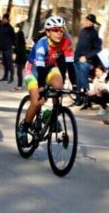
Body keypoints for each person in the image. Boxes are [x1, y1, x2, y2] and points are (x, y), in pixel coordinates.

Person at [17, 16, 74, 144]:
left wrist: (76, 86)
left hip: (49, 68)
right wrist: (42, 88)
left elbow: (70, 65)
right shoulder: (41, 45)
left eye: (61, 29)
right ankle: (24, 128)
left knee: (58, 86)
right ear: (48, 32)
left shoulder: (66, 42)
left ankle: (52, 114)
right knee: (37, 101)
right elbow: (41, 70)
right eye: (55, 29)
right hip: (34, 70)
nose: (59, 32)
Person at [74, 14, 103, 108]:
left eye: (88, 21)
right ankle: (78, 99)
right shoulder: (82, 31)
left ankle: (87, 100)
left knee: (84, 81)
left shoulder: (94, 33)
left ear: (92, 23)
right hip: (77, 59)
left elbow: (98, 49)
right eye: (85, 20)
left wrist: (86, 57)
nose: (86, 22)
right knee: (78, 80)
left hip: (85, 61)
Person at [0, 14, 16, 83]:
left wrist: (12, 44)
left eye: (5, 19)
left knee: (9, 63)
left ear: (7, 20)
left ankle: (11, 77)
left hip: (8, 48)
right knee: (4, 63)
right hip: (2, 47)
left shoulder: (10, 28)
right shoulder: (1, 27)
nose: (3, 20)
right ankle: (5, 76)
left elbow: (14, 37)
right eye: (3, 18)